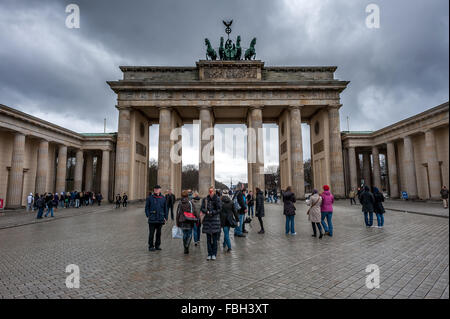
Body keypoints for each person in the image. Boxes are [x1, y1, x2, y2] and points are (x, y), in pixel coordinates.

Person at [201, 186, 221, 260]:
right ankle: (209, 253)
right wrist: (206, 211)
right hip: (207, 221)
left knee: (215, 239)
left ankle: (214, 254)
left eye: (212, 191)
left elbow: (219, 209)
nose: (211, 193)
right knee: (208, 239)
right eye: (209, 191)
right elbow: (202, 208)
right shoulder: (205, 199)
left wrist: (212, 212)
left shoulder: (217, 199)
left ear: (214, 192)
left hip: (215, 220)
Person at [145, 185, 168, 251]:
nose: (156, 190)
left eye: (157, 189)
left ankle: (157, 245)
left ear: (160, 190)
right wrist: (148, 215)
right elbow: (147, 208)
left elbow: (165, 208)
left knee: (159, 233)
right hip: (152, 218)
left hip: (160, 218)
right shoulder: (150, 198)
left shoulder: (163, 198)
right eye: (155, 189)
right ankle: (151, 246)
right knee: (151, 233)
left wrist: (165, 217)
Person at [176, 190, 198, 254]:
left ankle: (185, 247)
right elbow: (195, 211)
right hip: (189, 220)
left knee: (184, 234)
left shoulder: (180, 203)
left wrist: (177, 222)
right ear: (187, 195)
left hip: (182, 220)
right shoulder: (190, 202)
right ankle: (187, 245)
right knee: (190, 233)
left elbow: (178, 213)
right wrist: (197, 218)